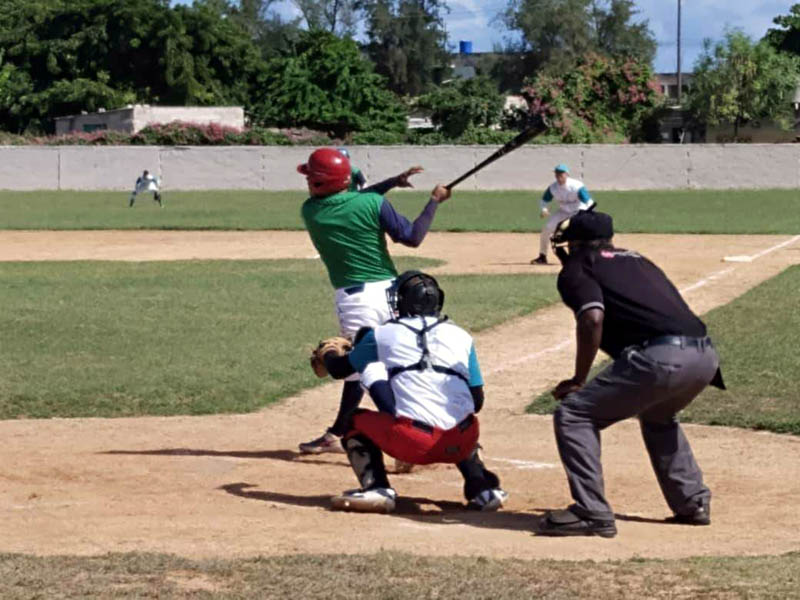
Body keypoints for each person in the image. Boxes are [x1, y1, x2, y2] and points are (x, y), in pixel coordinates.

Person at [538, 210, 725, 538]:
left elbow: (592, 319)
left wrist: (579, 379)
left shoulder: (579, 267)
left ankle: (591, 512)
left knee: (574, 414)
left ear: (575, 243)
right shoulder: (639, 259)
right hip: (705, 357)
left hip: (662, 359)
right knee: (658, 415)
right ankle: (692, 502)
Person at [315, 270, 508, 513]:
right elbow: (476, 401)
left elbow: (339, 370)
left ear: (402, 301)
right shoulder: (462, 336)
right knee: (460, 414)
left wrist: (330, 351)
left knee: (354, 419)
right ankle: (482, 489)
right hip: (462, 441)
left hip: (412, 443)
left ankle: (377, 488)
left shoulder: (381, 333)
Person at [297, 147, 443, 455]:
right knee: (389, 364)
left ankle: (410, 433)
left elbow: (353, 200)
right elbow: (412, 237)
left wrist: (391, 182)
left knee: (364, 368)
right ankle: (337, 432)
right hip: (393, 295)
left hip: (356, 301)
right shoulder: (373, 203)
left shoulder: (310, 210)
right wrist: (433, 202)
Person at [531, 164, 593, 265]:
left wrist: (589, 213)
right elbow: (544, 200)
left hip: (578, 211)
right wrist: (544, 209)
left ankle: (587, 257)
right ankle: (542, 257)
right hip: (563, 211)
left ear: (567, 174)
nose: (558, 176)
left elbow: (588, 201)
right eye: (557, 173)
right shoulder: (553, 188)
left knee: (578, 234)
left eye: (561, 173)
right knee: (547, 229)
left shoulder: (576, 186)